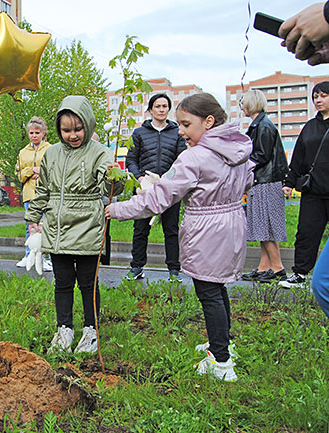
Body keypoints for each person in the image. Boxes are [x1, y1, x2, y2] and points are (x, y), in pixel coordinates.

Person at [107, 93, 254, 382]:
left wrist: (119, 209)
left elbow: (159, 198)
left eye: (186, 124)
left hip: (206, 227)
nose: (182, 131)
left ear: (208, 122)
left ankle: (221, 362)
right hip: (232, 220)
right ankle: (222, 343)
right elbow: (249, 179)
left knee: (208, 291)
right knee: (217, 285)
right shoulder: (237, 148)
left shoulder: (194, 157)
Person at [26, 95, 123, 354]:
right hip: (58, 227)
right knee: (63, 281)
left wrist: (115, 176)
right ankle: (64, 329)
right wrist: (33, 217)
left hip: (88, 224)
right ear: (58, 129)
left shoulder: (99, 152)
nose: (73, 135)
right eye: (66, 130)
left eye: (78, 129)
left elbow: (112, 188)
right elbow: (44, 189)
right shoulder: (52, 154)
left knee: (88, 283)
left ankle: (91, 331)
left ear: (88, 125)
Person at [125, 93, 187, 280]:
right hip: (145, 190)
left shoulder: (177, 132)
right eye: (157, 106)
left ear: (169, 109)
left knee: (171, 229)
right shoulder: (139, 133)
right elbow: (131, 160)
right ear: (150, 109)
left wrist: (169, 180)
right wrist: (140, 178)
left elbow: (182, 160)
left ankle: (174, 271)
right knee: (141, 228)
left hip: (169, 188)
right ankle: (136, 267)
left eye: (165, 106)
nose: (161, 110)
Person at [281, 82, 329, 288]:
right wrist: (289, 182)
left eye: (323, 96)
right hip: (313, 192)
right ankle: (300, 274)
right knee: (306, 233)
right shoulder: (310, 126)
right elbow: (298, 157)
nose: (318, 100)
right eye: (315, 96)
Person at [238, 90, 289, 283]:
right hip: (263, 181)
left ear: (252, 103)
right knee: (262, 227)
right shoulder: (259, 125)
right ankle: (263, 267)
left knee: (266, 227)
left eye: (243, 102)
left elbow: (262, 155)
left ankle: (277, 268)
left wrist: (241, 164)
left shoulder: (263, 127)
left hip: (266, 181)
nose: (241, 106)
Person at [15, 116, 52, 271]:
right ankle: (29, 254)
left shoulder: (51, 149)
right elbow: (18, 174)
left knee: (44, 225)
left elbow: (54, 170)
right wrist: (31, 170)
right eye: (31, 132)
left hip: (46, 194)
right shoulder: (23, 152)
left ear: (43, 133)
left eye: (37, 132)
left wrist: (41, 171)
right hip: (29, 193)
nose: (34, 135)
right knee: (30, 225)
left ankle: (46, 258)